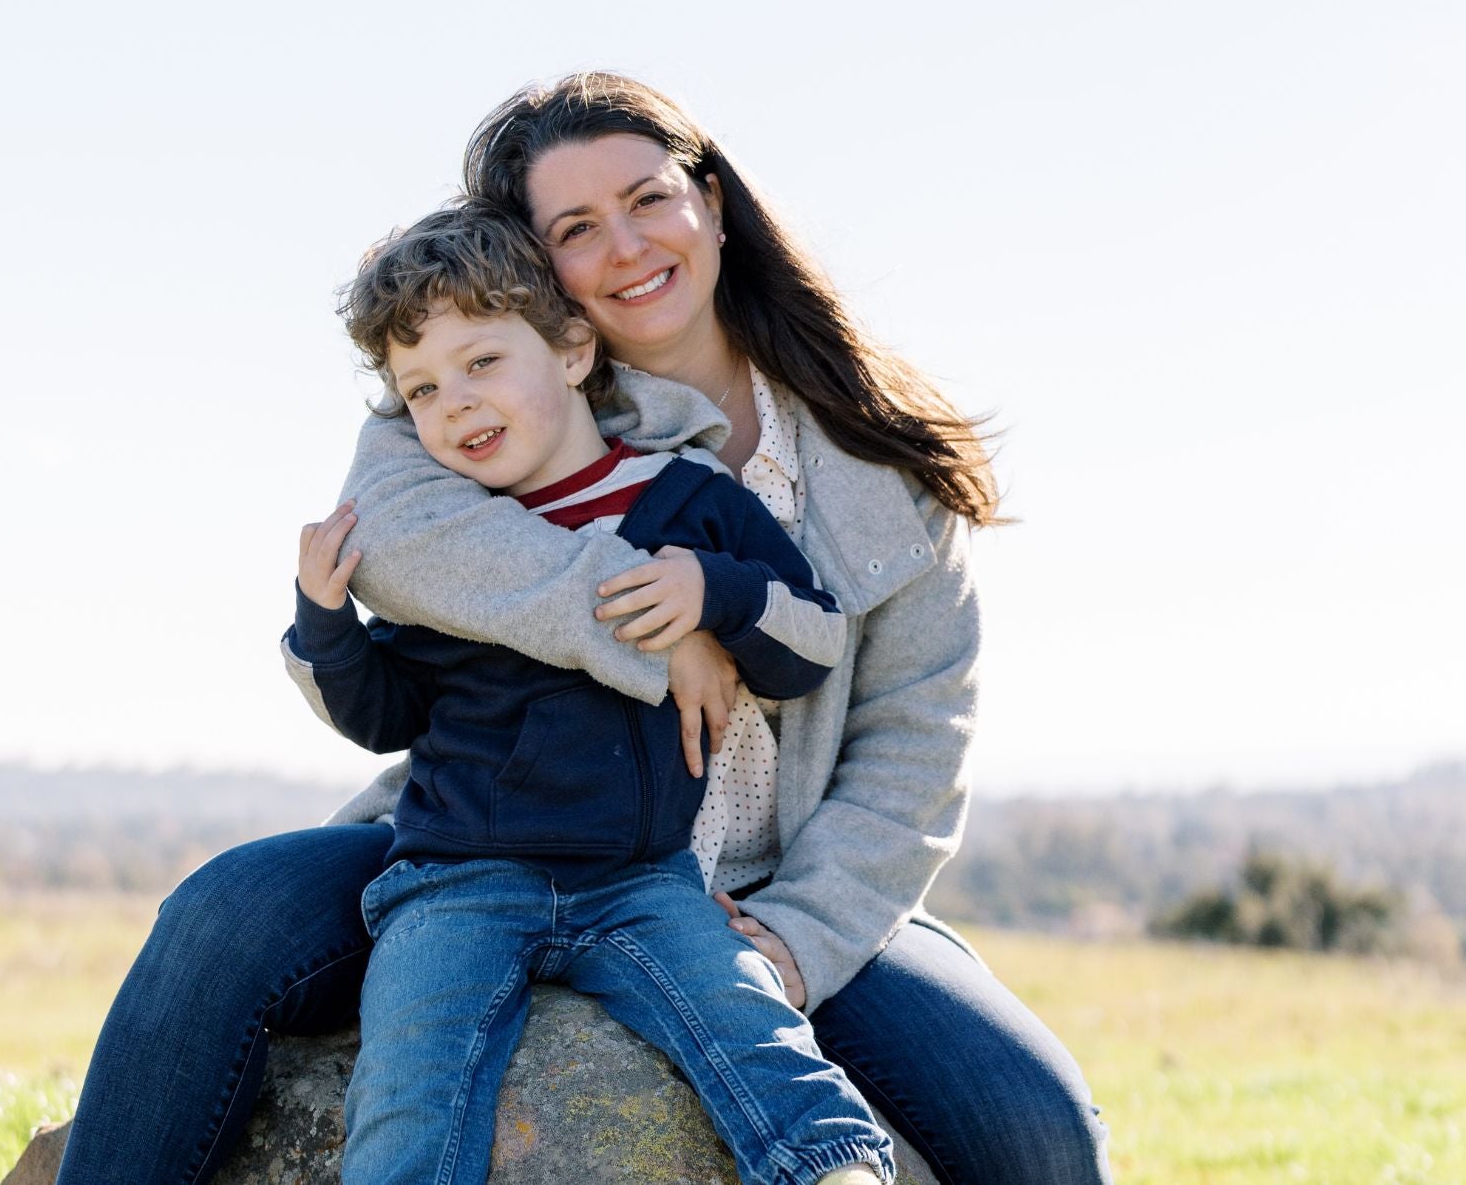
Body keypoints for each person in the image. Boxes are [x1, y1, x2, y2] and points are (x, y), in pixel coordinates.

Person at [56, 74, 1111, 1185]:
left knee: (1035, 1124)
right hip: (489, 830)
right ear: (536, 267)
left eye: (648, 198)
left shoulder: (877, 457)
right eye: (574, 227)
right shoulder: (482, 395)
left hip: (779, 879)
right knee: (222, 917)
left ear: (710, 199)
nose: (624, 245)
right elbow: (406, 543)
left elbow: (915, 743)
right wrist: (654, 629)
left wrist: (799, 937)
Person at [286, 200, 891, 1185]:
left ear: (572, 350)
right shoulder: (460, 548)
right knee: (408, 1086)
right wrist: (324, 627)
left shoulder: (689, 498)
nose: (458, 403)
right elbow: (386, 712)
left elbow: (813, 643)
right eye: (423, 389)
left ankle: (834, 1170)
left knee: (751, 1027)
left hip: (641, 881)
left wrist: (715, 592)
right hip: (456, 879)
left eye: (483, 362)